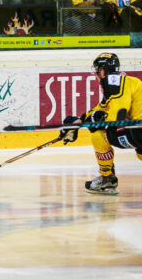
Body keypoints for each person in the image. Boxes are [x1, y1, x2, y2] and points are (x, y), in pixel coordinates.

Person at [60, 53, 142, 195]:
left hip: (138, 132)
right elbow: (100, 109)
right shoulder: (126, 83)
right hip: (138, 133)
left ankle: (107, 178)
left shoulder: (112, 81)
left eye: (97, 71)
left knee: (98, 135)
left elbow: (117, 117)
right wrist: (76, 124)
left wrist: (95, 120)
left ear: (102, 71)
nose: (96, 75)